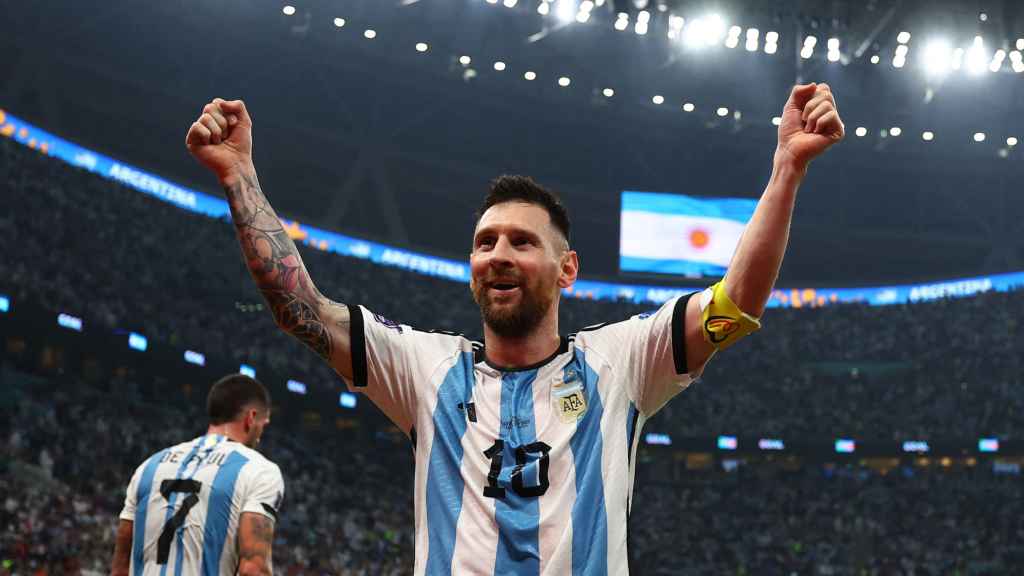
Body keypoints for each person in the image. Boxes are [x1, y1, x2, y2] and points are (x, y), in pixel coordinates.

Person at [186, 82, 844, 575]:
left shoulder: (620, 363)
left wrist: (787, 170)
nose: (498, 253)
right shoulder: (425, 368)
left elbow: (735, 303)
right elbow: (300, 308)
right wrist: (239, 175)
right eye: (484, 242)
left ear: (567, 270)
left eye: (522, 242)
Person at [110, 375, 284, 576]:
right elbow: (254, 570)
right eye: (264, 424)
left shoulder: (149, 466)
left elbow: (120, 568)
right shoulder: (259, 470)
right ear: (251, 418)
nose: (261, 434)